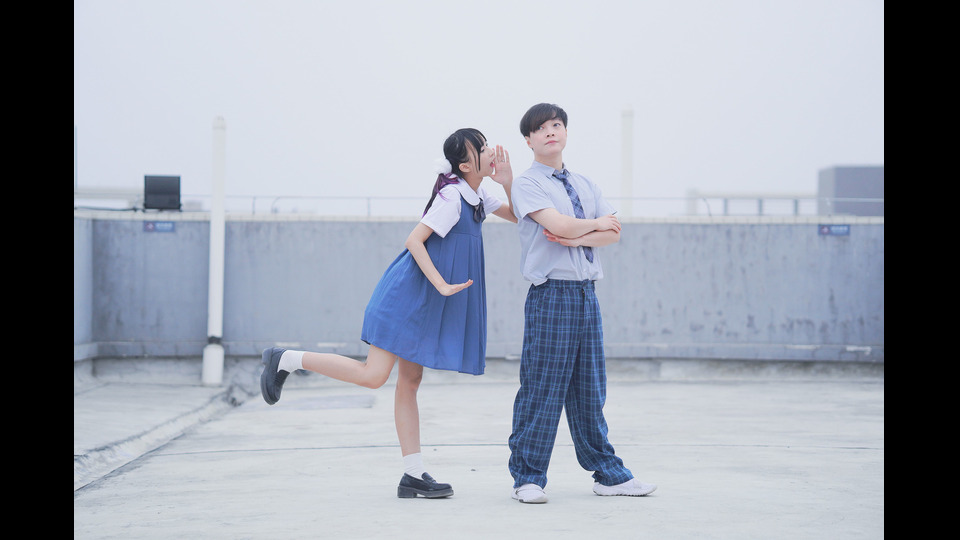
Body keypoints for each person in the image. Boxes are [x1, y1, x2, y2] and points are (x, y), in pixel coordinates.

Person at [259, 128, 517, 499]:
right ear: (465, 165)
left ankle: (413, 475)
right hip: (407, 298)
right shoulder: (452, 197)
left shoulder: (477, 196)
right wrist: (442, 285)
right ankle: (285, 358)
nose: (491, 150)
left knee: (410, 381)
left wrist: (507, 183)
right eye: (483, 147)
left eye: (487, 143)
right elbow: (414, 241)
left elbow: (522, 216)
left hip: (423, 303)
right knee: (373, 375)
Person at [506, 103, 656, 504]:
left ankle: (609, 475)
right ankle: (528, 477)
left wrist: (579, 236)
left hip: (587, 294)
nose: (550, 132)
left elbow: (614, 233)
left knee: (590, 388)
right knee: (542, 387)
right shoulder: (527, 184)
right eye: (541, 128)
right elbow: (558, 225)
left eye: (556, 125)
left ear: (566, 132)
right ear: (529, 140)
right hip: (551, 293)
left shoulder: (585, 183)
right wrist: (592, 226)